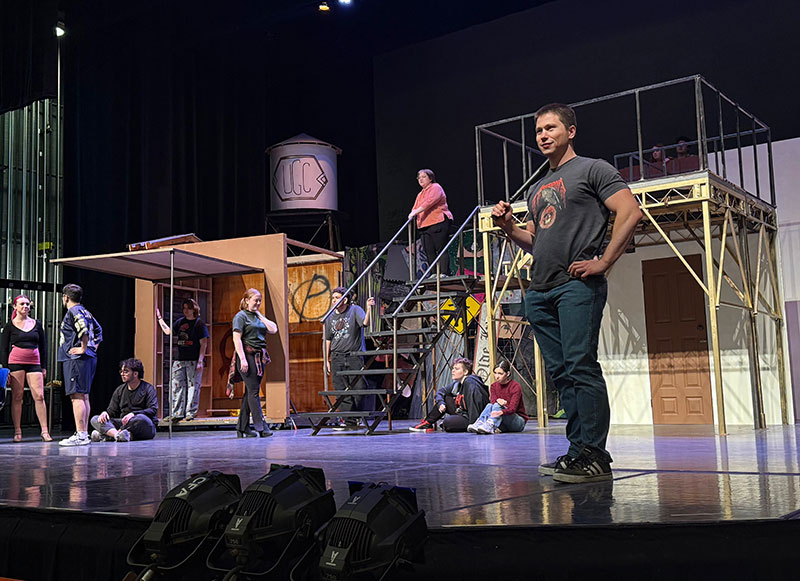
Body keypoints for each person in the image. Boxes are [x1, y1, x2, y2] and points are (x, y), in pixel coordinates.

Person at [491, 103, 641, 483]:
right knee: (562, 374)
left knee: (580, 366)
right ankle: (576, 452)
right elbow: (536, 241)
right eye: (538, 130)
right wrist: (510, 226)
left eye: (551, 128)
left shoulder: (593, 169)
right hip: (540, 291)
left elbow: (630, 211)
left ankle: (595, 456)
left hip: (576, 286)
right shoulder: (541, 187)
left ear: (570, 131)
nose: (543, 135)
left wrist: (604, 262)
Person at [0, 294, 53, 442]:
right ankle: (17, 431)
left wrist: (44, 367)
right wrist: (6, 370)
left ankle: (44, 431)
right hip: (16, 363)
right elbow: (4, 349)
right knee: (18, 397)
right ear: (15, 307)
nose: (25, 307)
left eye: (28, 304)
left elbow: (43, 347)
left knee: (39, 396)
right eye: (22, 304)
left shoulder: (37, 324)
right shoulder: (9, 326)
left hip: (34, 363)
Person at [57, 283, 103, 447]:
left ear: (66, 297)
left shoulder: (74, 311)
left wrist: (83, 348)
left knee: (77, 396)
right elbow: (98, 331)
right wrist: (92, 348)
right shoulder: (86, 311)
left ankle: (82, 435)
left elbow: (83, 329)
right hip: (87, 358)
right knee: (83, 395)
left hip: (77, 360)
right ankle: (82, 432)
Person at [324, 287, 375, 429]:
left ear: (345, 299)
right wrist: (326, 360)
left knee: (359, 387)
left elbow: (365, 323)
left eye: (337, 297)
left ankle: (357, 416)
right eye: (333, 298)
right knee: (341, 389)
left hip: (354, 356)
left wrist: (369, 309)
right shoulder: (330, 316)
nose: (334, 300)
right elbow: (328, 339)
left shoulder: (354, 310)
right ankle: (349, 421)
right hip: (337, 356)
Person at [231, 288, 277, 438]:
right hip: (247, 356)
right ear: (246, 300)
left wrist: (259, 314)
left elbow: (273, 329)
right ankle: (261, 427)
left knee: (249, 392)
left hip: (259, 357)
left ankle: (242, 427)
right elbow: (236, 339)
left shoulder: (257, 316)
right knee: (254, 391)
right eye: (255, 300)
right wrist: (243, 359)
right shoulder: (240, 316)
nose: (258, 303)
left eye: (259, 300)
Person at [156, 298, 209, 422]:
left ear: (194, 309)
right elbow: (168, 331)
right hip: (179, 359)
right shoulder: (180, 322)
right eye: (184, 308)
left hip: (193, 359)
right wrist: (160, 319)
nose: (186, 311)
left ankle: (190, 412)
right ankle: (177, 412)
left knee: (193, 386)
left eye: (188, 308)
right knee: (176, 385)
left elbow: (204, 343)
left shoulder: (199, 324)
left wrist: (200, 360)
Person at [409, 357, 489, 433]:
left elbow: (475, 407)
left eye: (456, 369)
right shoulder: (457, 383)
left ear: (465, 372)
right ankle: (427, 423)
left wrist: (473, 425)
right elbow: (440, 392)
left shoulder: (471, 383)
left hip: (472, 418)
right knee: (446, 398)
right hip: (462, 412)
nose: (453, 371)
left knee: (447, 422)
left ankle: (449, 425)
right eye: (453, 368)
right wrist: (441, 403)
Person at [90, 358, 158, 442]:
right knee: (95, 419)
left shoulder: (148, 388)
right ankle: (118, 435)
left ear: (135, 374)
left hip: (143, 425)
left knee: (140, 418)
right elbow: (111, 411)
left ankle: (106, 435)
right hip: (123, 423)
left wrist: (133, 414)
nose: (122, 374)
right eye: (121, 371)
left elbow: (153, 410)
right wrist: (105, 413)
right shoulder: (120, 390)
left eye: (126, 371)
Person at [408, 169, 454, 277]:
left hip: (438, 222)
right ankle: (434, 273)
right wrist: (412, 213)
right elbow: (415, 208)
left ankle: (444, 272)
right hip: (424, 225)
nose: (420, 179)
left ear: (430, 178)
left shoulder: (436, 187)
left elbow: (429, 202)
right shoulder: (420, 194)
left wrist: (415, 212)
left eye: (423, 177)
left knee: (440, 248)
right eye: (419, 177)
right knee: (429, 251)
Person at [467, 359, 528, 434]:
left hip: (517, 421)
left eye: (500, 373)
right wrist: (498, 406)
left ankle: (490, 425)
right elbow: (493, 402)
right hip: (502, 420)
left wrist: (501, 411)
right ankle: (481, 422)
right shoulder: (493, 386)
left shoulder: (515, 386)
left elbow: (512, 409)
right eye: (495, 373)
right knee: (490, 405)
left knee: (496, 405)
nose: (497, 376)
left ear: (508, 373)